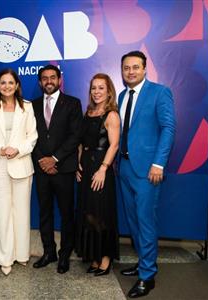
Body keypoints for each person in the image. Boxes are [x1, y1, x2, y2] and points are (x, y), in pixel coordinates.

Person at [117, 51, 175, 298]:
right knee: (133, 220)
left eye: (135, 67)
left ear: (144, 68)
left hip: (148, 169)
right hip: (125, 168)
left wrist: (159, 164)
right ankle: (144, 262)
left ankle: (147, 276)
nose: (130, 72)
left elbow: (168, 128)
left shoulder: (160, 92)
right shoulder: (121, 95)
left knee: (145, 220)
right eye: (126, 68)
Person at [0, 68, 37, 276]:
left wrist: (18, 149)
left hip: (21, 165)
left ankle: (21, 254)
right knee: (1, 214)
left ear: (17, 85)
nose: (7, 86)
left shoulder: (27, 107)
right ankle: (4, 258)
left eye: (11, 82)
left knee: (21, 214)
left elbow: (32, 137)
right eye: (3, 83)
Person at [31, 64, 83, 274]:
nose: (49, 81)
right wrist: (42, 160)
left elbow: (75, 136)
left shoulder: (72, 104)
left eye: (53, 77)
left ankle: (64, 255)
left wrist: (54, 159)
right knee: (45, 213)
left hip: (64, 168)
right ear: (40, 82)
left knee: (66, 213)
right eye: (45, 78)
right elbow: (28, 136)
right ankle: (49, 252)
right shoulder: (31, 106)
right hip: (41, 168)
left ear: (59, 80)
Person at [75, 73, 120, 276]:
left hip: (101, 169)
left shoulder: (111, 115)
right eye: (94, 88)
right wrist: (78, 165)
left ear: (109, 90)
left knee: (101, 213)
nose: (97, 91)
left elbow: (114, 145)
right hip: (86, 169)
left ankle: (105, 258)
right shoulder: (88, 113)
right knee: (88, 213)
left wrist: (103, 169)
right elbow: (81, 144)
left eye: (101, 88)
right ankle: (93, 256)